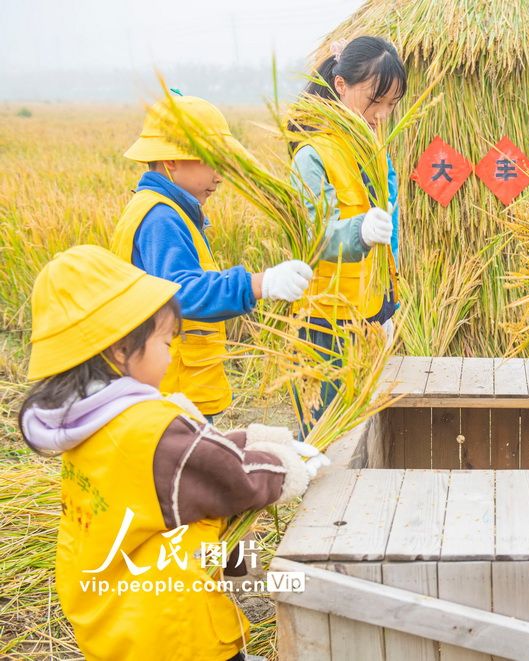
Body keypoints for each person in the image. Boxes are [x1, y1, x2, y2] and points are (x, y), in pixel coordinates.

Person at [19, 245, 329, 661]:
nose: (170, 356)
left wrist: (253, 438)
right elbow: (233, 478)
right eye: (166, 342)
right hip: (173, 634)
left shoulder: (86, 426)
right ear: (119, 351)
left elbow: (185, 469)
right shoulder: (152, 429)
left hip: (116, 625)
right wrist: (289, 464)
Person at [111, 94, 313, 417]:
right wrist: (259, 284)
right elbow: (181, 292)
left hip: (175, 390)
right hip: (170, 396)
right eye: (212, 161)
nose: (220, 175)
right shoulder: (160, 218)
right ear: (171, 161)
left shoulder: (167, 210)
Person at [289, 36, 406, 425]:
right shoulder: (312, 155)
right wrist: (359, 232)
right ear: (341, 86)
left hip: (368, 318)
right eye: (375, 100)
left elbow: (389, 239)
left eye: (391, 105)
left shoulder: (373, 154)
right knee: (328, 439)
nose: (382, 115)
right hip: (325, 326)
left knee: (364, 433)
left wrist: (389, 305)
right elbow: (316, 236)